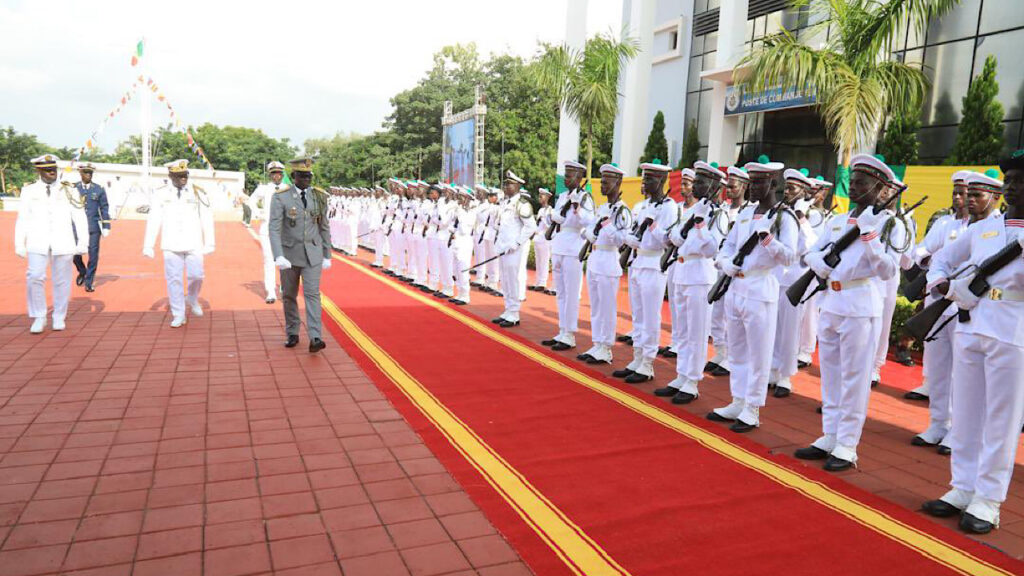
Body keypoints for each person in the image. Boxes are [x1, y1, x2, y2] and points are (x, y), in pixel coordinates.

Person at [921, 158, 1024, 535]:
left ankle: (989, 499)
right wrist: (942, 284)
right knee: (965, 412)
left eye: (1019, 182)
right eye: (1009, 180)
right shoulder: (986, 228)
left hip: (1013, 329)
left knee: (1001, 419)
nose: (1012, 187)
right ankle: (962, 487)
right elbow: (944, 260)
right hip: (971, 323)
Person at [793, 154, 901, 471]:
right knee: (831, 374)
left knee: (854, 377)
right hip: (832, 302)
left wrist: (870, 238)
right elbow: (812, 254)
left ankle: (847, 444)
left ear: (881, 188)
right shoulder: (838, 220)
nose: (854, 187)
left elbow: (888, 269)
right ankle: (830, 434)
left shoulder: (886, 223)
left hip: (860, 303)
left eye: (862, 183)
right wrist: (822, 264)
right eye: (852, 182)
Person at [707, 159, 797, 433]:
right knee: (737, 349)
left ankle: (753, 408)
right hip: (736, 287)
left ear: (773, 184)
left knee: (759, 353)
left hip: (761, 289)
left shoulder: (783, 218)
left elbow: (790, 257)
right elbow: (728, 247)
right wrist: (725, 264)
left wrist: (768, 239)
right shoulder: (745, 214)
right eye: (752, 181)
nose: (754, 187)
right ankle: (738, 399)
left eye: (760, 182)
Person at [908, 170, 972, 453]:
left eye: (964, 194)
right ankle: (937, 424)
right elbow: (922, 250)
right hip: (937, 306)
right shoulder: (945, 224)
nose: (958, 199)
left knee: (961, 372)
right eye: (955, 193)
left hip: (963, 309)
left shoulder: (989, 227)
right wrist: (927, 261)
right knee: (936, 368)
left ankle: (957, 431)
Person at [653, 162, 724, 403]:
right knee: (682, 329)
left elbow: (714, 247)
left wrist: (702, 227)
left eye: (702, 182)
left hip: (700, 274)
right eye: (697, 181)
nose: (697, 186)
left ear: (714, 186)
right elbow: (674, 237)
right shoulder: (693, 210)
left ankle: (692, 381)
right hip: (682, 270)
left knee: (697, 330)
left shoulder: (717, 214)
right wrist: (682, 232)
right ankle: (682, 374)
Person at [611, 159, 676, 382]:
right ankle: (637, 358)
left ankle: (648, 364)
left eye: (649, 178)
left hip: (654, 264)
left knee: (650, 317)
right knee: (638, 315)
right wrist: (632, 238)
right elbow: (633, 235)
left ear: (661, 181)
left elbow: (668, 240)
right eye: (645, 177)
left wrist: (653, 225)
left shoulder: (669, 207)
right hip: (638, 263)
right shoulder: (645, 205)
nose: (645, 182)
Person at [14, 154, 88, 333]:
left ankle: (59, 316)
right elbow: (23, 218)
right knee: (34, 277)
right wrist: (19, 243)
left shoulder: (68, 190)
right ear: (38, 170)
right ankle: (39, 316)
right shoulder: (29, 191)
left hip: (63, 240)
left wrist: (83, 242)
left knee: (62, 281)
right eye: (47, 170)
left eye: (53, 169)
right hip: (37, 241)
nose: (51, 172)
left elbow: (79, 217)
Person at [143, 160, 215, 328]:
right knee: (174, 279)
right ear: (170, 176)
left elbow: (207, 217)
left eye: (185, 175)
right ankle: (178, 313)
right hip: (170, 242)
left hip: (193, 241)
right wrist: (148, 245)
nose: (183, 179)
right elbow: (154, 220)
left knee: (197, 275)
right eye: (179, 176)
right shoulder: (160, 194)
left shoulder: (198, 192)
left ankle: (191, 296)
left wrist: (210, 242)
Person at [269, 158, 331, 353]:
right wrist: (278, 254)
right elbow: (274, 228)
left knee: (312, 294)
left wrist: (327, 254)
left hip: (312, 254)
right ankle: (293, 332)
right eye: (302, 176)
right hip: (289, 255)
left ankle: (315, 336)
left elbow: (324, 226)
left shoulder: (319, 196)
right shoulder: (281, 197)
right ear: (293, 176)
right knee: (289, 295)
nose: (306, 179)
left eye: (309, 176)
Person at [768, 168, 817, 398]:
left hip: (795, 277)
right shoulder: (779, 212)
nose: (787, 192)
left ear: (804, 191)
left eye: (793, 188)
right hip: (776, 276)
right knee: (774, 326)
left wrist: (802, 218)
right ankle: (772, 368)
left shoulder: (811, 216)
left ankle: (786, 375)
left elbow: (812, 246)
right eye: (786, 187)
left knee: (790, 330)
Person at [577, 163, 630, 365]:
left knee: (607, 307)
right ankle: (597, 343)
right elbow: (588, 232)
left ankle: (606, 348)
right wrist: (598, 228)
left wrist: (606, 225)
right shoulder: (603, 207)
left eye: (607, 182)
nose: (603, 185)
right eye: (602, 181)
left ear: (617, 182)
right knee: (596, 307)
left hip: (609, 259)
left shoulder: (622, 210)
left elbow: (620, 240)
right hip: (595, 259)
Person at [543, 160, 595, 351]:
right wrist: (553, 216)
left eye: (570, 175)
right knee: (561, 293)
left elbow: (590, 221)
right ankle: (562, 330)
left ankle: (570, 334)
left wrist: (577, 209)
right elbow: (557, 218)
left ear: (580, 177)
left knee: (572, 293)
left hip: (574, 247)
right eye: (565, 174)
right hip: (559, 245)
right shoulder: (563, 195)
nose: (566, 178)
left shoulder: (584, 198)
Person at [705, 166, 749, 377]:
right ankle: (720, 352)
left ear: (743, 187)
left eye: (732, 187)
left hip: (739, 272)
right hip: (722, 266)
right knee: (717, 313)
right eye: (727, 187)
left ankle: (732, 356)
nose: (728, 191)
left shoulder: (749, 211)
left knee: (733, 316)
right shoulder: (721, 211)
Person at [492, 171, 538, 327]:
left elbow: (531, 227)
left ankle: (514, 313)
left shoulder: (522, 204)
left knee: (512, 280)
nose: (506, 186)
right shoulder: (505, 203)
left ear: (518, 186)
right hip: (503, 247)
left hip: (513, 248)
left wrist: (517, 243)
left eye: (509, 184)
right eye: (505, 184)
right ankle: (507, 309)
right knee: (504, 280)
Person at [247, 161, 286, 303]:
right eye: (274, 174)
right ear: (270, 175)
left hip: (284, 231)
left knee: (285, 261)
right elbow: (251, 201)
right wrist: (258, 214)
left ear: (282, 174)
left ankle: (284, 287)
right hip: (268, 230)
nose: (277, 176)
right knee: (269, 260)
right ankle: (271, 292)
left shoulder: (288, 188)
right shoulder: (263, 189)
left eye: (279, 173)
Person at [72, 163, 111, 293]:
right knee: (74, 253)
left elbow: (104, 208)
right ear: (80, 173)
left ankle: (89, 281)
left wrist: (106, 225)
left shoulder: (98, 189)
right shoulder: (73, 188)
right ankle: (82, 271)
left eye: (90, 173)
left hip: (93, 227)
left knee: (93, 255)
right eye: (86, 173)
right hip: (76, 227)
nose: (88, 175)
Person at [449, 187, 477, 305]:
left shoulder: (471, 212)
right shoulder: (458, 210)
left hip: (465, 241)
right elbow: (452, 225)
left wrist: (459, 215)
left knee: (463, 268)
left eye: (461, 197)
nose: (458, 199)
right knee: (455, 269)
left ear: (467, 198)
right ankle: (459, 292)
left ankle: (465, 295)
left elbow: (465, 229)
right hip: (456, 241)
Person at [531, 188, 554, 293]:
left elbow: (550, 226)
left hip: (545, 239)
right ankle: (538, 281)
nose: (540, 197)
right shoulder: (540, 210)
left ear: (548, 197)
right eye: (540, 195)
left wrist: (543, 219)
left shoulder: (550, 211)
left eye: (542, 195)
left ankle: (542, 282)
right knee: (538, 261)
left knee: (544, 261)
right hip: (538, 238)